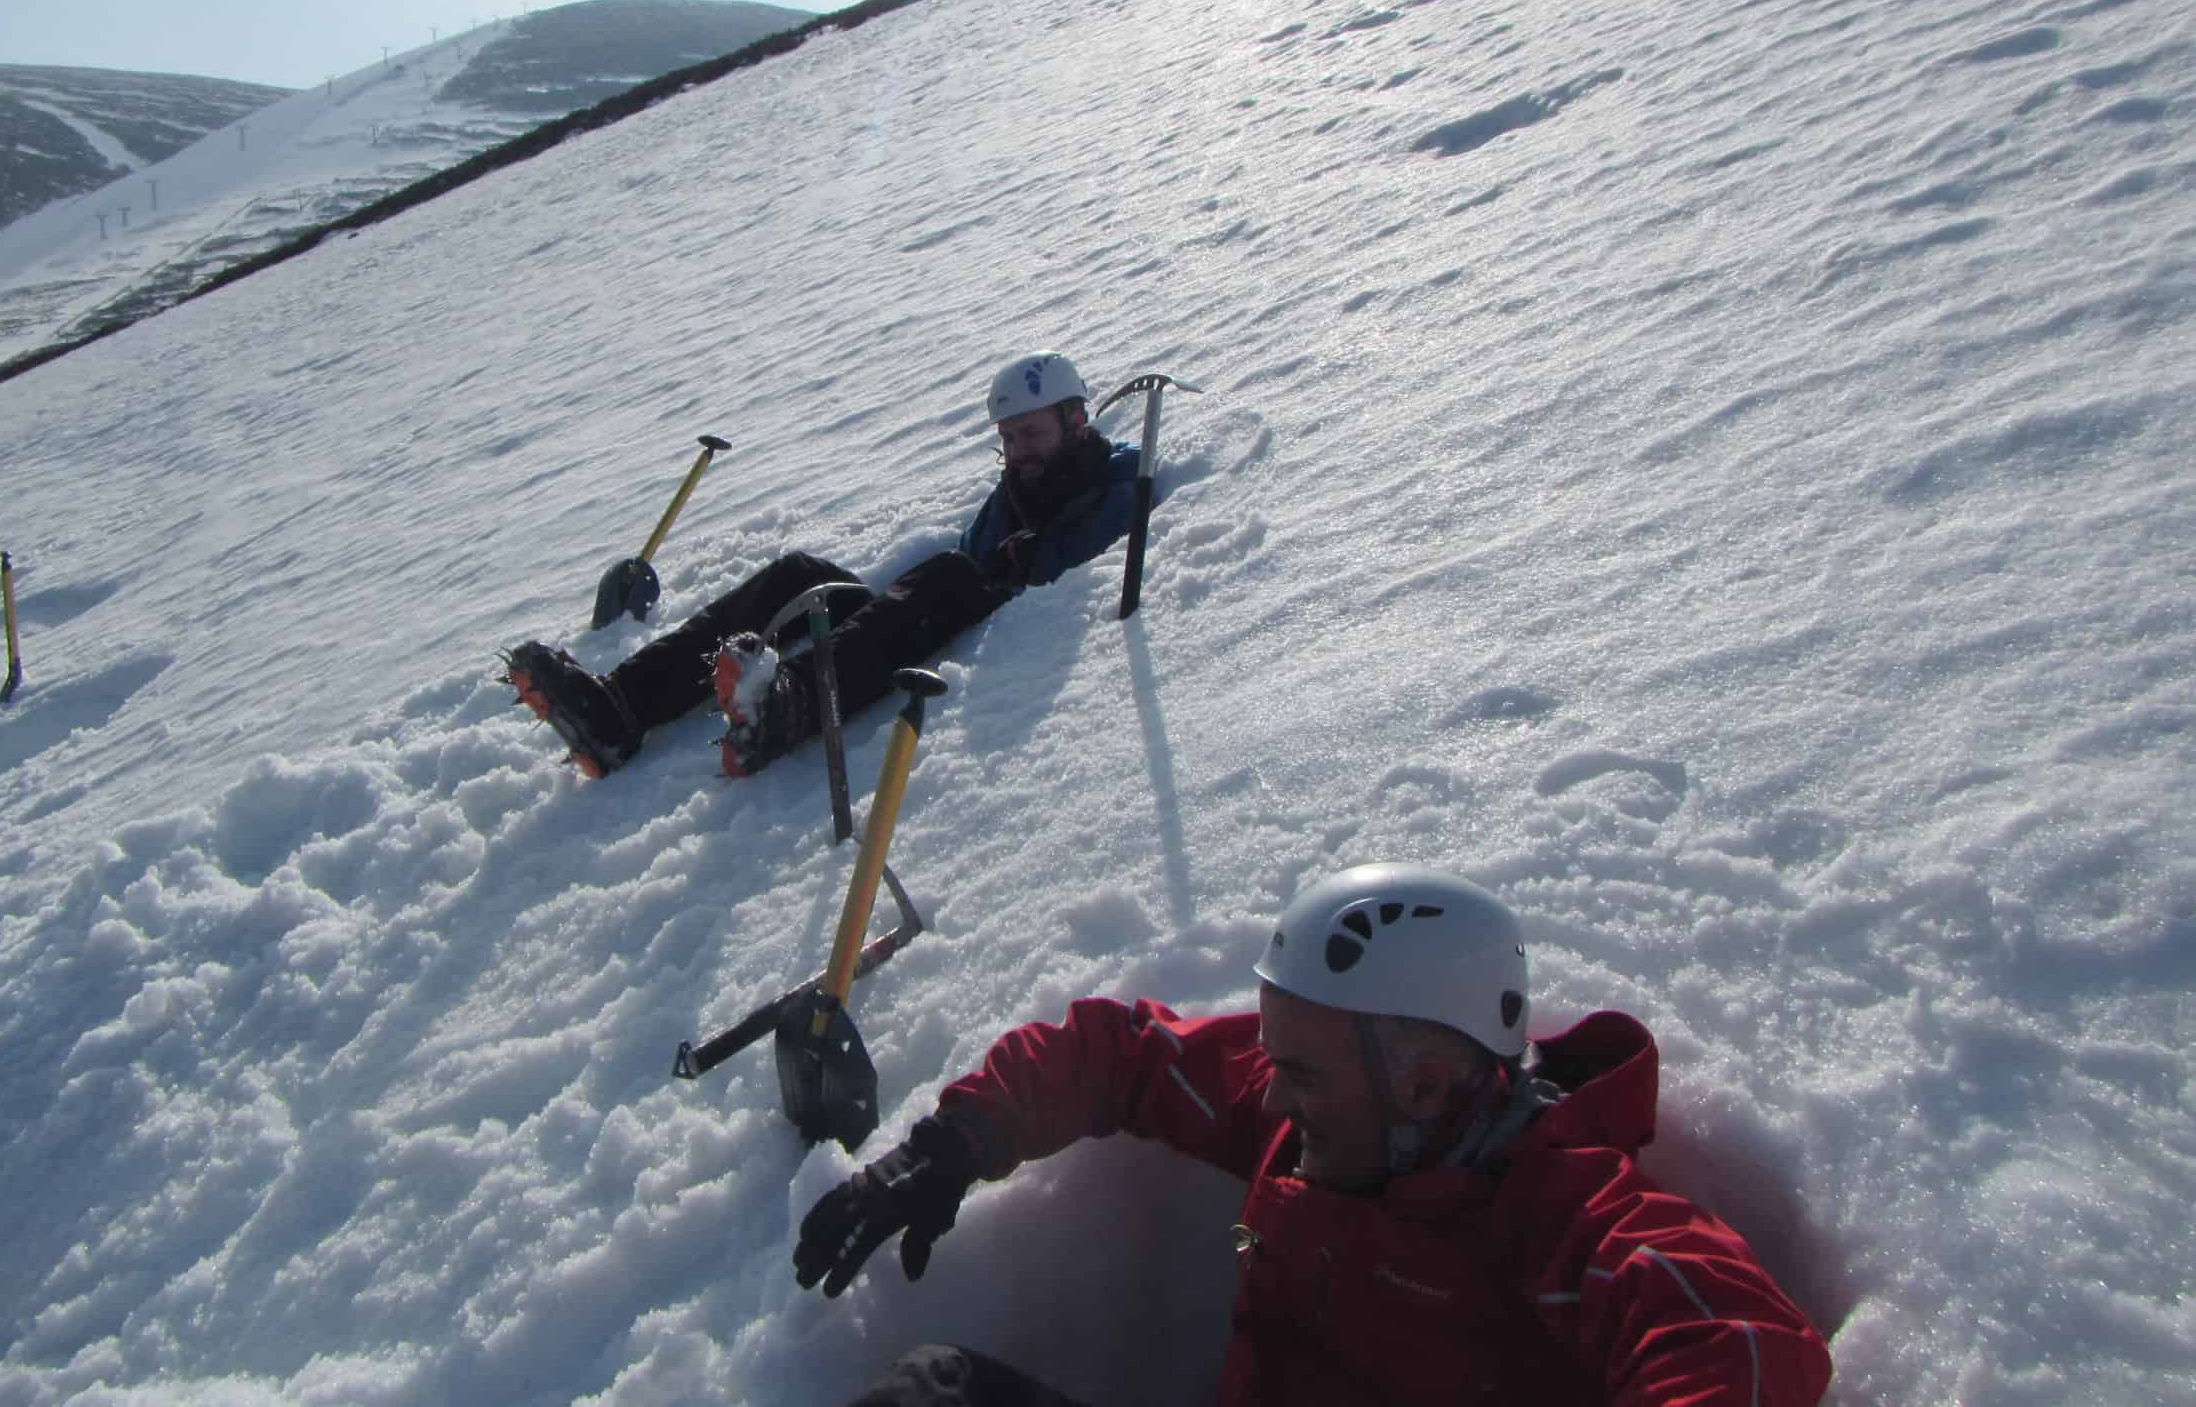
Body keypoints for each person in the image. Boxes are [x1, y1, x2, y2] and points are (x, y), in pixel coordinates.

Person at [795, 864, 1835, 1406]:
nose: (1270, 1100)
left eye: (1299, 1072)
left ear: (1423, 1081)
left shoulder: (1562, 1214)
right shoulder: (1331, 1124)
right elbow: (1125, 1054)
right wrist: (958, 1140)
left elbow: (1738, 1341)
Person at [505, 352, 1138, 779]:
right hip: (931, 612)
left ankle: (790, 705)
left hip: (991, 623)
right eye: (1008, 437)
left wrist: (1019, 560)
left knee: (950, 572)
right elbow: (978, 555)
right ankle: (620, 709)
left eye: (1032, 434)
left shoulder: (1117, 477)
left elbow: (1075, 563)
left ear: (1076, 419)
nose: (1018, 451)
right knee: (800, 574)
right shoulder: (1015, 490)